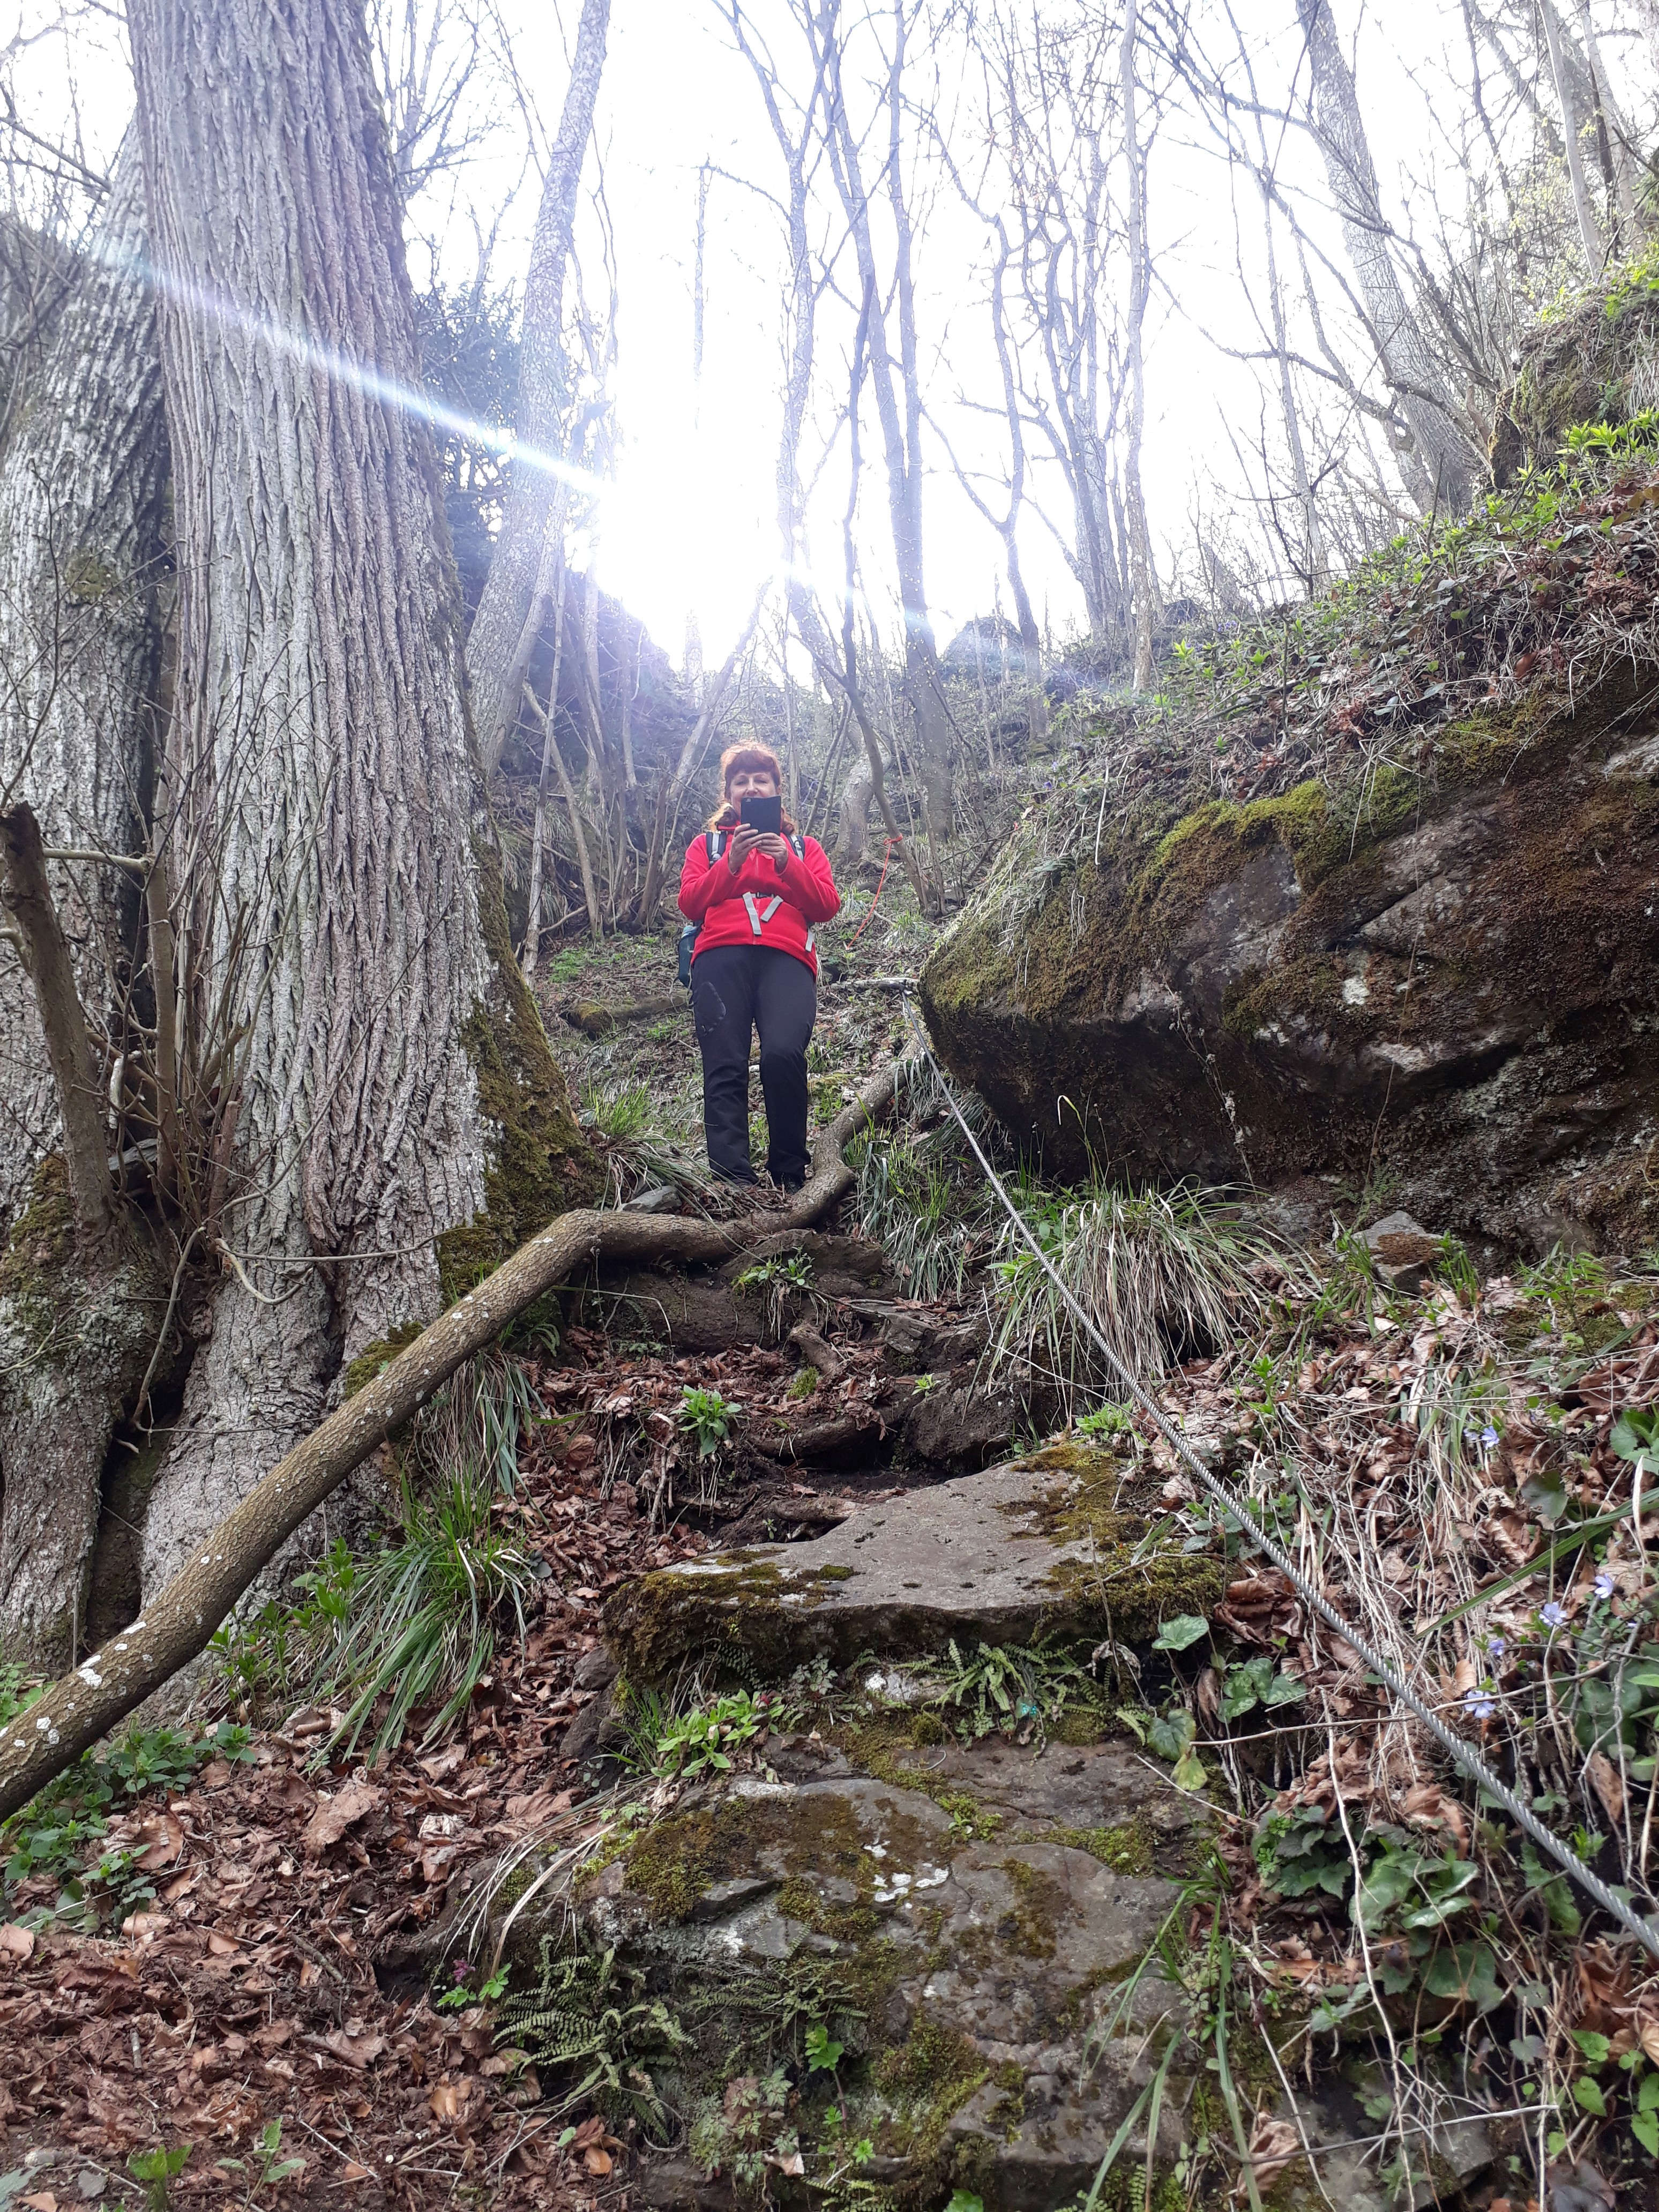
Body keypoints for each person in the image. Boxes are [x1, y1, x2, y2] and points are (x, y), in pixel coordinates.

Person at [678, 744, 840, 1190]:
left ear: (775, 791)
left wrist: (787, 863)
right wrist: (730, 864)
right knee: (724, 1064)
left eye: (760, 780)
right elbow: (690, 902)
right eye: (741, 781)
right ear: (729, 795)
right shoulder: (707, 846)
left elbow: (827, 905)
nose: (751, 787)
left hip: (787, 958)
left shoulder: (804, 848)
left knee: (783, 1054)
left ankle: (789, 1173)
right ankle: (733, 1180)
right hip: (719, 957)